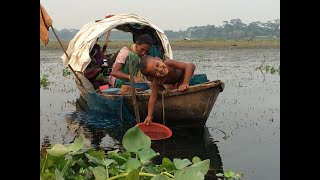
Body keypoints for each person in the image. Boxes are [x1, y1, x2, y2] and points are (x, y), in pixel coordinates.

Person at [138, 55, 196, 125]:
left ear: (158, 59)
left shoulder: (169, 63)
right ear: (152, 76)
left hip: (183, 75)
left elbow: (189, 66)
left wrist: (185, 83)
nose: (160, 70)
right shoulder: (156, 80)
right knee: (156, 88)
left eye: (157, 65)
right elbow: (153, 97)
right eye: (155, 72)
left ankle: (182, 83)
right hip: (176, 83)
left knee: (191, 66)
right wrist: (149, 115)